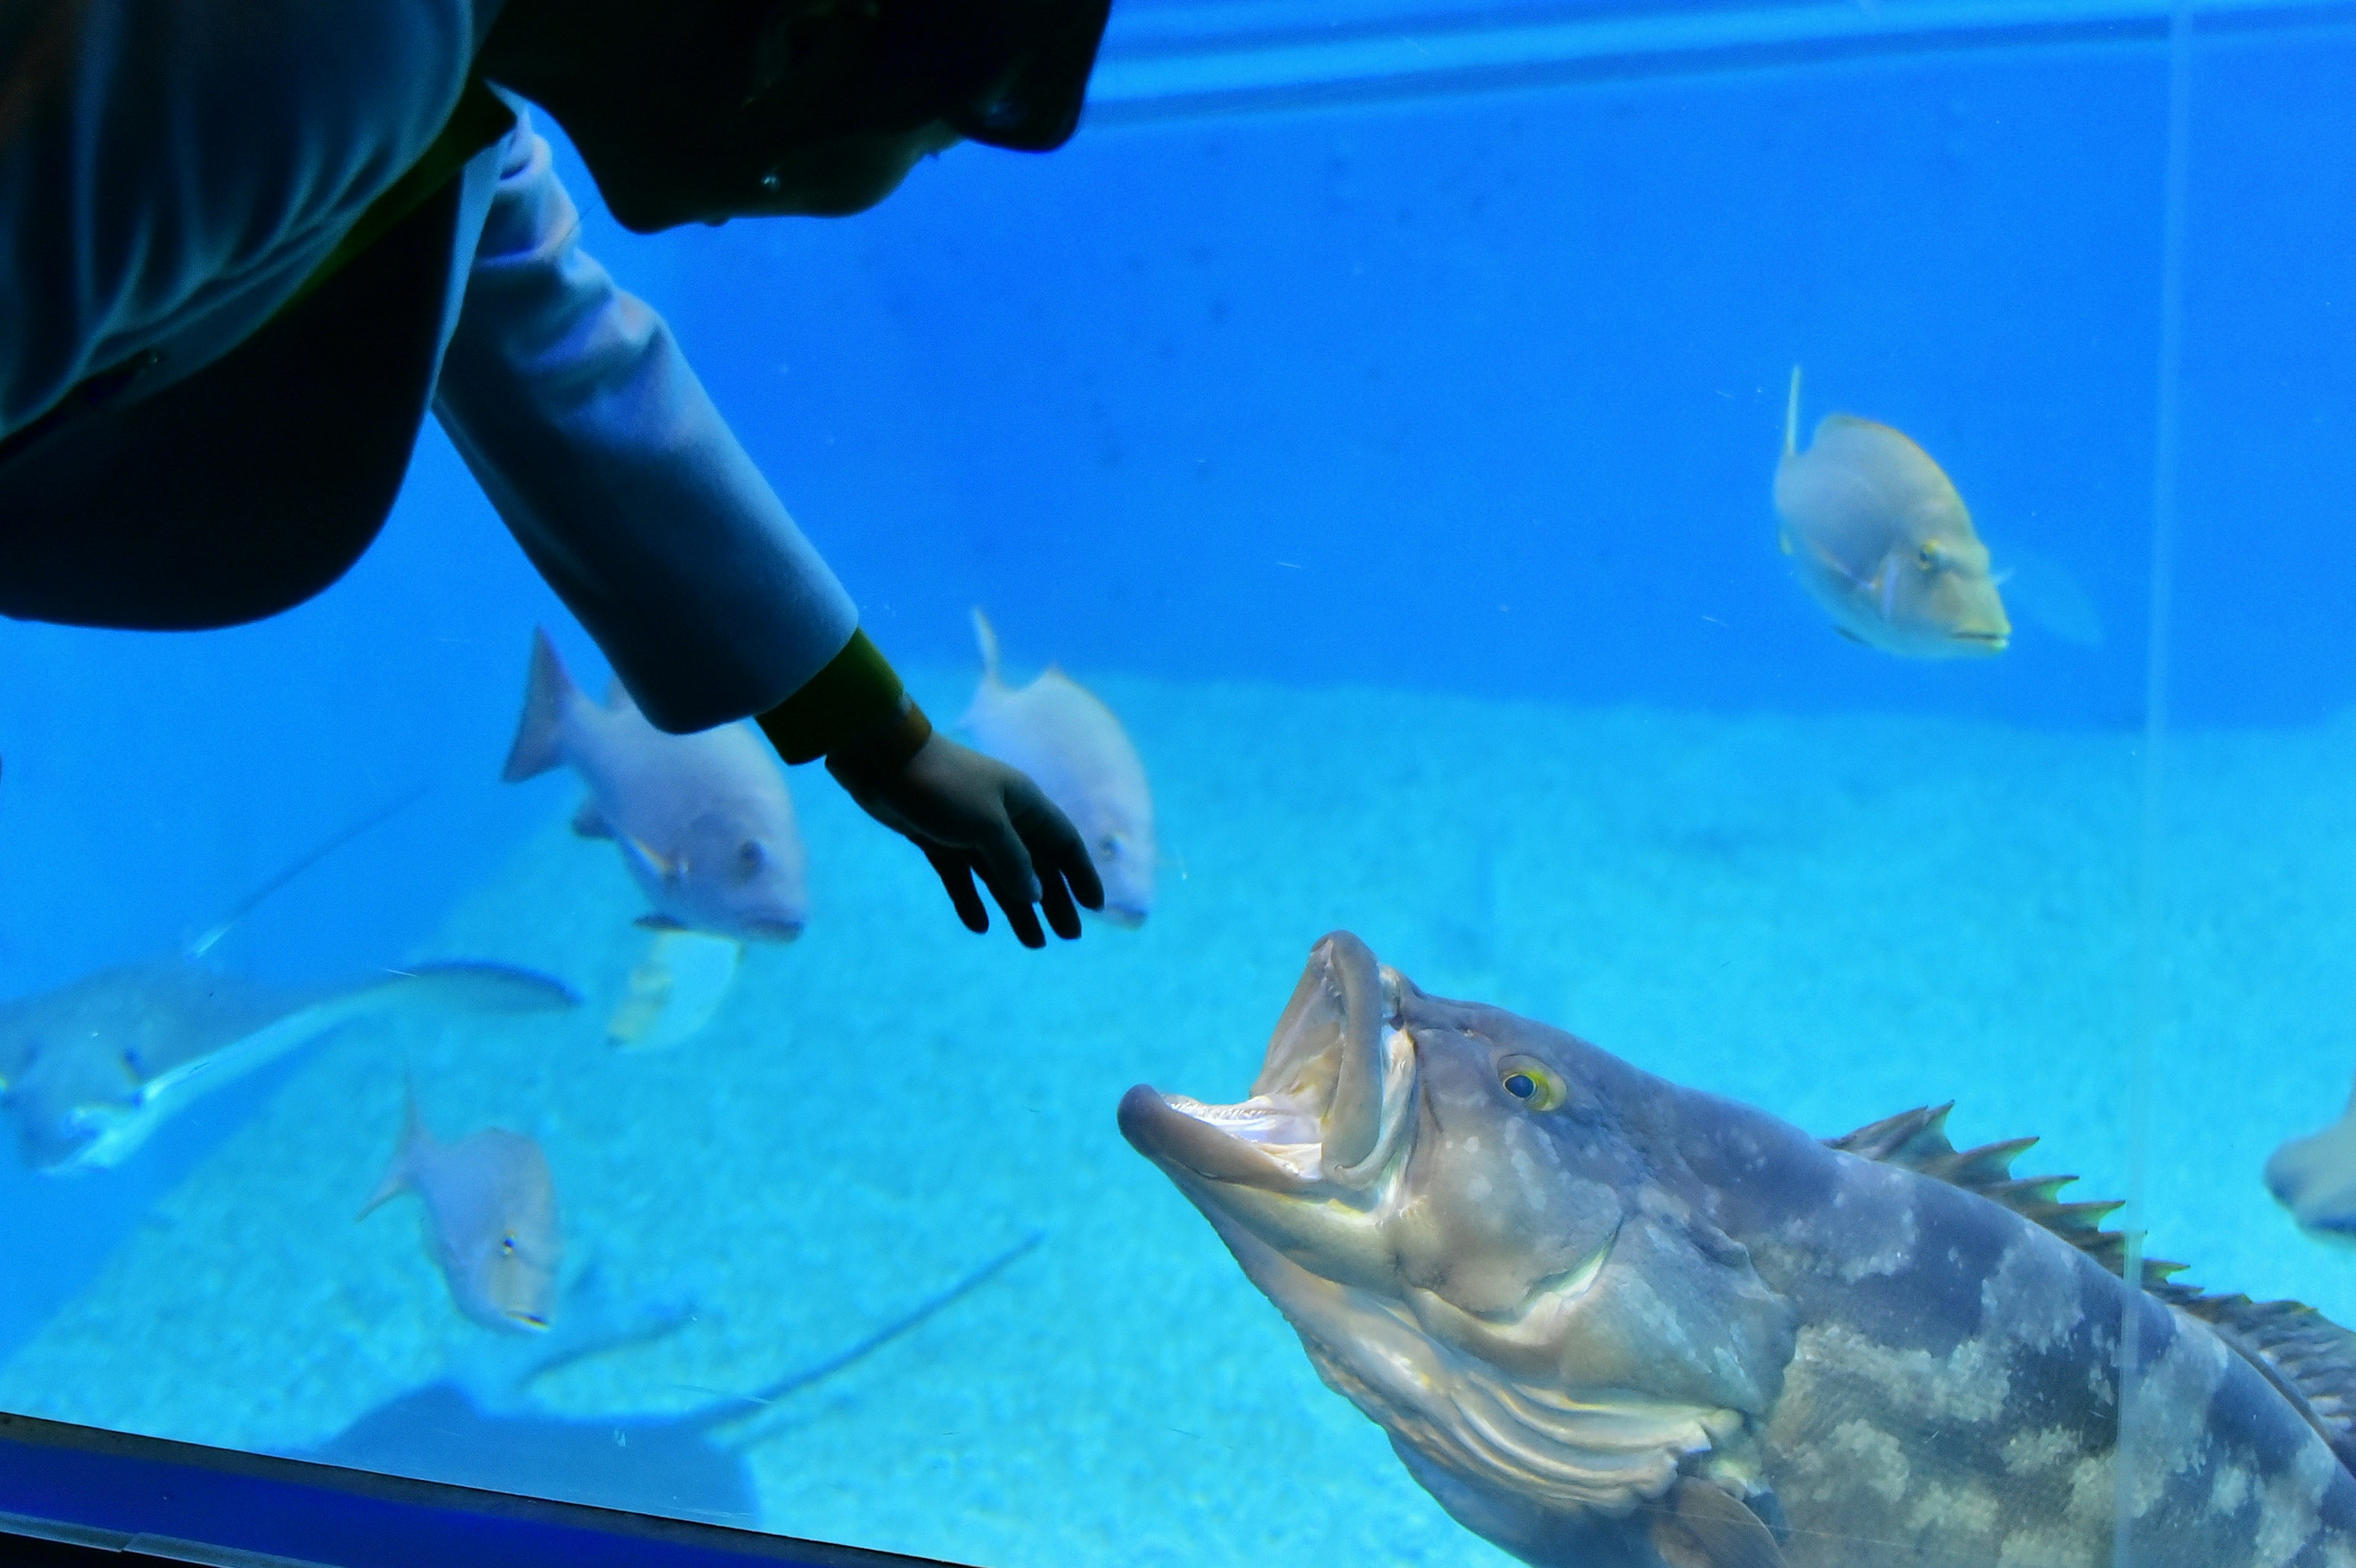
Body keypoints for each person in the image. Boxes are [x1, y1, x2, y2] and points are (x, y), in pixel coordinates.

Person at [0, 0, 1112, 947]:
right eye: (926, 148)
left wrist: (879, 735)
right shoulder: (325, 46)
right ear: (812, 32)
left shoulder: (412, 61)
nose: (888, 183)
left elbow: (566, 355)